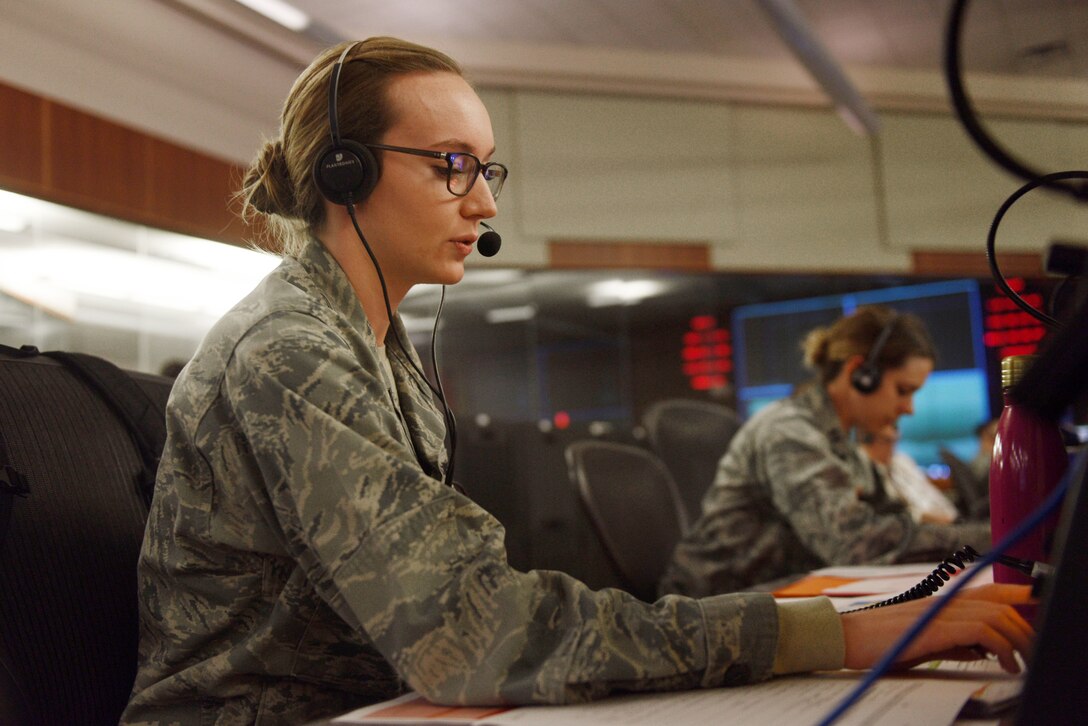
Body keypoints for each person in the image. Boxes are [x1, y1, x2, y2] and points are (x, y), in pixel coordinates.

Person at [122, 38, 1031, 726]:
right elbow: (469, 635)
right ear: (344, 173)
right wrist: (831, 634)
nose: (484, 204)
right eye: (452, 166)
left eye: (487, 170)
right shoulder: (292, 350)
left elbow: (462, 624)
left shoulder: (370, 344)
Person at [660, 306, 992, 598]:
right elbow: (853, 543)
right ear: (859, 374)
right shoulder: (789, 431)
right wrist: (989, 539)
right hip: (715, 605)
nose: (909, 408)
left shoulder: (840, 442)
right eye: (903, 390)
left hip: (778, 594)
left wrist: (967, 535)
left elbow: (890, 515)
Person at [860, 424, 960, 525]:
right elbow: (898, 512)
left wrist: (953, 517)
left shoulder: (902, 461)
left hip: (949, 518)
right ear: (868, 441)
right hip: (922, 527)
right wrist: (943, 520)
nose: (892, 447)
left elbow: (929, 491)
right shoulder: (869, 472)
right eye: (887, 441)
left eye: (896, 440)